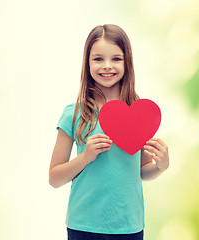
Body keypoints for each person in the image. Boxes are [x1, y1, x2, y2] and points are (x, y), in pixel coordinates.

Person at [49, 24, 169, 240]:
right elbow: (54, 178)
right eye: (98, 59)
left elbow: (140, 172)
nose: (107, 66)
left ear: (127, 62)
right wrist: (86, 157)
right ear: (87, 63)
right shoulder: (74, 114)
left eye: (116, 59)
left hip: (129, 226)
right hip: (84, 226)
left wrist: (161, 166)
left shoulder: (140, 114)